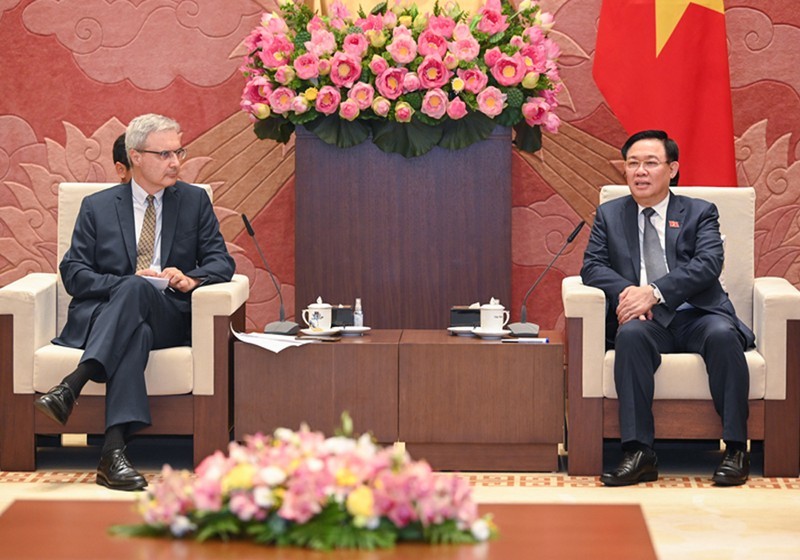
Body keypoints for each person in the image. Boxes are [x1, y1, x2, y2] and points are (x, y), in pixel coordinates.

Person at [34, 114, 235, 491]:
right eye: (164, 153)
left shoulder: (194, 202)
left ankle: (72, 384)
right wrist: (126, 284)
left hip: (169, 315)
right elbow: (74, 273)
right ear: (135, 156)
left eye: (179, 151)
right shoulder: (97, 207)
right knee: (135, 318)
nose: (176, 161)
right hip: (109, 319)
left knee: (142, 299)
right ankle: (113, 454)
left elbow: (221, 261)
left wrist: (190, 279)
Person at [580, 129, 754, 487]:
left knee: (723, 336)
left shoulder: (699, 212)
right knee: (629, 337)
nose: (640, 172)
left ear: (672, 169)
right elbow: (592, 266)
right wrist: (631, 291)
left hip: (696, 315)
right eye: (632, 164)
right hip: (645, 321)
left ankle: (736, 448)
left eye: (650, 163)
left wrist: (656, 292)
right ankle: (638, 452)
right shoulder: (610, 215)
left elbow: (708, 263)